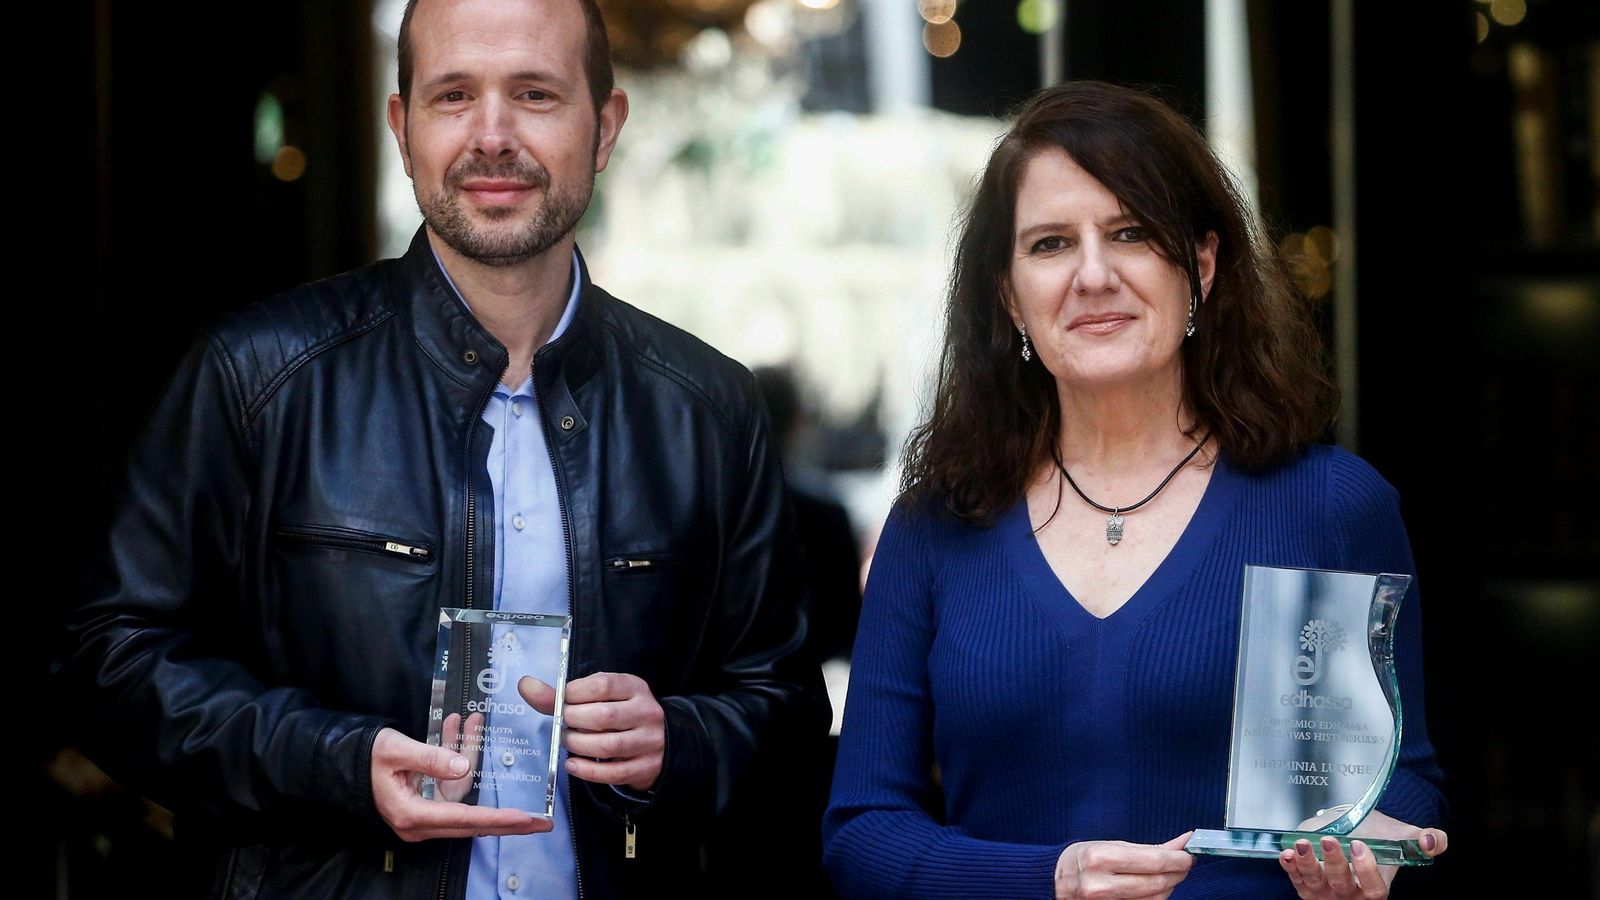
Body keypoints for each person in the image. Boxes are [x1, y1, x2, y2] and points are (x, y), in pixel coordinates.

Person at [55, 0, 828, 897]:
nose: (492, 137)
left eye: (535, 94)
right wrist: (337, 763)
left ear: (605, 127)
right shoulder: (259, 377)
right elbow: (108, 663)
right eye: (453, 95)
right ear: (402, 126)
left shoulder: (708, 410)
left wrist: (681, 741)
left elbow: (788, 711)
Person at [822, 81, 1448, 900]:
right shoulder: (936, 525)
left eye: (1132, 233)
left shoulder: (1326, 507)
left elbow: (1403, 780)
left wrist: (1376, 851)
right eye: (1051, 244)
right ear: (1009, 294)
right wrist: (1046, 880)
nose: (1093, 274)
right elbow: (863, 830)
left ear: (1203, 265)